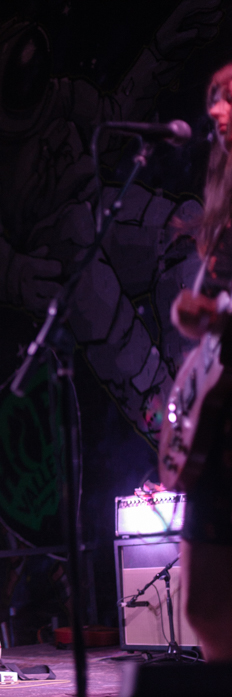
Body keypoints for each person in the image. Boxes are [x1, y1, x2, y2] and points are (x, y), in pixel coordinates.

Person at [169, 63, 232, 662]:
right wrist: (196, 315)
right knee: (202, 606)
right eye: (214, 99)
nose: (216, 112)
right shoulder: (223, 204)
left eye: (230, 99)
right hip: (219, 420)